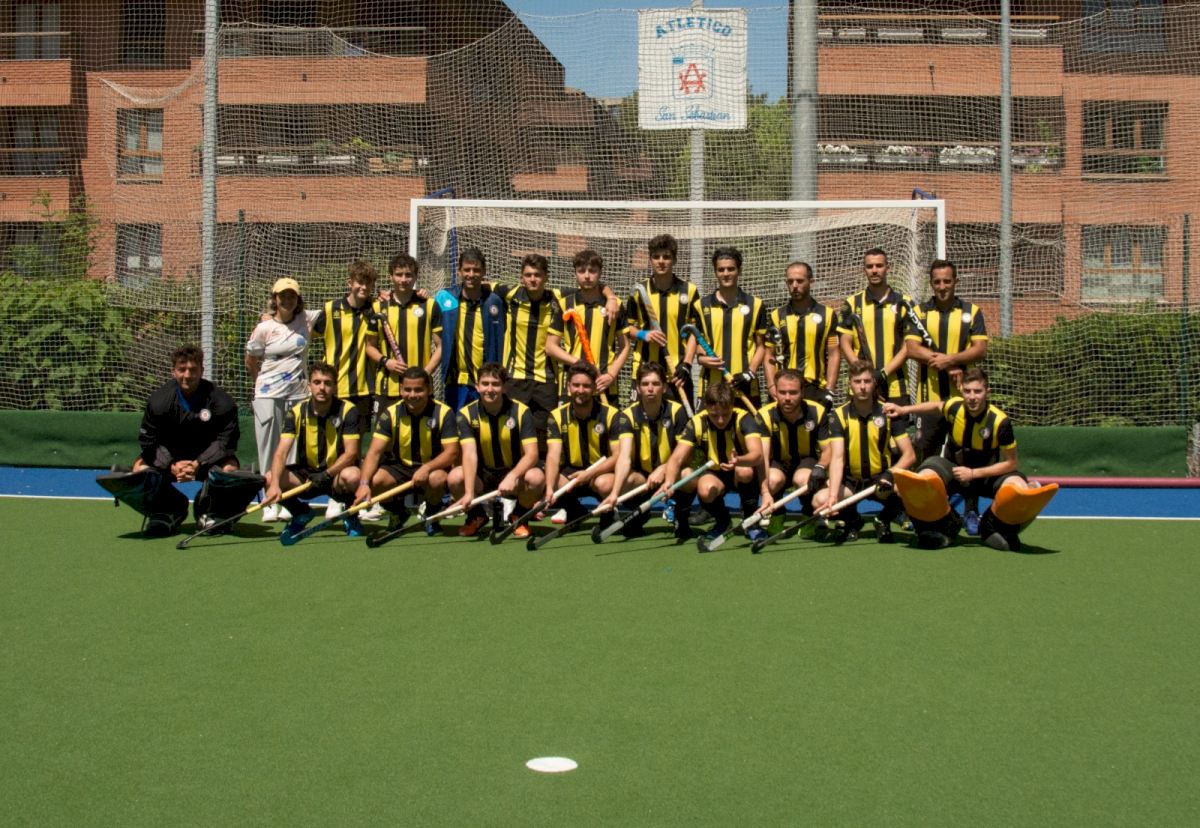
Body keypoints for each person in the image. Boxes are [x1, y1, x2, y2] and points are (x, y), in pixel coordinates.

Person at [884, 367, 1055, 551]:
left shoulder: (1000, 422)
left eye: (977, 391)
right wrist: (903, 409)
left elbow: (1011, 463)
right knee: (925, 474)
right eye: (967, 391)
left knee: (1018, 485)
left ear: (987, 392)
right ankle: (946, 522)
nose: (972, 397)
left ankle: (993, 526)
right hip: (955, 471)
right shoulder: (954, 407)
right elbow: (935, 406)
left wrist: (973, 473)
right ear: (961, 390)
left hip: (985, 476)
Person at [97, 344, 253, 537]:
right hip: (170, 460)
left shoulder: (222, 401)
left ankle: (209, 511)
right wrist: (171, 465)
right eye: (182, 369)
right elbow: (148, 442)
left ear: (202, 371)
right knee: (139, 468)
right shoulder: (158, 401)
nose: (187, 375)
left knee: (230, 468)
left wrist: (198, 463)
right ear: (173, 371)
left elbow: (226, 442)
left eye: (193, 370)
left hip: (206, 460)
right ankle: (169, 509)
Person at [814, 360, 916, 543]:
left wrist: (890, 474)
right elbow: (837, 458)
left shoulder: (888, 412)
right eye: (857, 381)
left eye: (867, 381)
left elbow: (909, 454)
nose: (862, 386)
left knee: (910, 493)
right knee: (819, 500)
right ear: (850, 384)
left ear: (874, 383)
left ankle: (883, 519)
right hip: (851, 481)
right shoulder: (838, 415)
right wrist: (832, 496)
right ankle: (853, 520)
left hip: (880, 478)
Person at [244, 276, 320, 522]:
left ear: (298, 299)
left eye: (292, 296)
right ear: (275, 298)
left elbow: (338, 309)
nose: (287, 300)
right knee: (268, 449)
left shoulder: (306, 319)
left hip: (298, 395)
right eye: (282, 296)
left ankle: (287, 499)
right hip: (268, 396)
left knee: (292, 451)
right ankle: (269, 501)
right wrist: (260, 384)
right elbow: (251, 359)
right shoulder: (264, 327)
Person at [263, 362, 364, 538]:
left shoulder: (348, 410)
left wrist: (326, 475)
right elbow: (281, 453)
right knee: (271, 478)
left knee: (353, 476)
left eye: (327, 383)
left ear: (335, 386)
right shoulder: (296, 412)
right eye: (317, 382)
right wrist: (274, 486)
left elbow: (351, 453)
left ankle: (351, 514)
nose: (322, 388)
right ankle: (301, 513)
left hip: (335, 476)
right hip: (307, 476)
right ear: (309, 385)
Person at [310, 260, 379, 520]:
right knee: (333, 445)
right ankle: (335, 497)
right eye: (359, 282)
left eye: (368, 283)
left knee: (356, 446)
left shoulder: (375, 309)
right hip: (333, 389)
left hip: (362, 388)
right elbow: (304, 329)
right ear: (350, 283)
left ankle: (358, 497)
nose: (363, 287)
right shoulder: (330, 309)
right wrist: (270, 317)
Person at [355, 368, 459, 536]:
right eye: (408, 390)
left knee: (437, 479)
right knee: (375, 481)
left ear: (429, 390)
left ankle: (431, 515)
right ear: (401, 389)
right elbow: (374, 452)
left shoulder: (444, 412)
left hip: (432, 468)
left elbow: (452, 452)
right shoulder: (390, 413)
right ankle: (398, 512)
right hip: (399, 468)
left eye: (418, 390)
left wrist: (427, 468)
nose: (412, 395)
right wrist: (364, 484)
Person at [661, 381, 766, 546]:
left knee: (744, 471)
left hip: (740, 469)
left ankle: (751, 522)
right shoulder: (697, 422)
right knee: (705, 490)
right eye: (715, 415)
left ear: (732, 405)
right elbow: (676, 458)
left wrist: (739, 460)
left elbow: (758, 455)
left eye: (725, 414)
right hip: (714, 472)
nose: (721, 420)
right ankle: (723, 521)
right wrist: (669, 482)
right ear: (706, 408)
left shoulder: (744, 418)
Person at [903, 259, 989, 458]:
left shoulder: (971, 312)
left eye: (947, 281)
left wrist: (949, 360)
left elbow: (980, 349)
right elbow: (912, 349)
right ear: (931, 283)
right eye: (937, 282)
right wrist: (944, 363)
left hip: (963, 398)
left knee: (964, 456)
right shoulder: (919, 312)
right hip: (928, 400)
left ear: (956, 281)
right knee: (925, 456)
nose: (942, 287)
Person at [449, 363, 546, 538]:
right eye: (485, 384)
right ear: (477, 386)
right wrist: (469, 492)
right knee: (455, 477)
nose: (490, 389)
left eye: (495, 384)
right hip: (483, 476)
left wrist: (512, 476)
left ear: (504, 387)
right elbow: (469, 454)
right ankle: (476, 516)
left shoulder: (521, 411)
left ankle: (519, 516)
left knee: (536, 478)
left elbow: (532, 454)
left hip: (513, 474)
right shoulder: (465, 414)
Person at [603, 362, 694, 538]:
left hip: (671, 473)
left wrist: (665, 468)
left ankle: (681, 517)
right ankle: (639, 514)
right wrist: (614, 494)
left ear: (664, 387)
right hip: (643, 479)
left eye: (655, 384)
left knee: (688, 475)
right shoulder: (627, 415)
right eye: (645, 384)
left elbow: (687, 455)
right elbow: (624, 458)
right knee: (616, 481)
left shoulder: (677, 411)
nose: (650, 389)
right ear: (638, 388)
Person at [542, 362, 629, 532]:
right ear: (568, 386)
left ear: (595, 388)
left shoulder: (611, 415)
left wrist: (589, 474)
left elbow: (617, 456)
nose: (580, 390)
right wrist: (550, 489)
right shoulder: (556, 416)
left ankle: (608, 515)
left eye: (586, 386)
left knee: (605, 483)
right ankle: (575, 512)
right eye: (576, 385)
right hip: (570, 475)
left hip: (600, 473)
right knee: (546, 477)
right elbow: (553, 456)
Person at [626, 233, 702, 409]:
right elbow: (626, 328)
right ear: (650, 260)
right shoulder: (639, 291)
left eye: (666, 257)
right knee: (640, 422)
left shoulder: (689, 291)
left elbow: (695, 332)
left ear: (674, 260)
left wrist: (687, 364)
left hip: (677, 372)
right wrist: (643, 334)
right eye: (656, 257)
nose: (661, 261)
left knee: (682, 422)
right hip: (644, 372)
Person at [756, 368, 834, 524]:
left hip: (806, 461)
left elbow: (828, 450)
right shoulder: (764, 415)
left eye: (793, 393)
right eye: (782, 392)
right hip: (778, 462)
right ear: (775, 392)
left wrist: (820, 467)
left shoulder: (817, 411)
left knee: (803, 479)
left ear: (802, 392)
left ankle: (809, 515)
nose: (787, 398)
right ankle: (777, 514)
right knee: (771, 481)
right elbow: (763, 457)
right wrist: (764, 492)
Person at [368, 252, 443, 413]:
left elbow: (441, 346)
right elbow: (369, 346)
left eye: (408, 275)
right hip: (388, 388)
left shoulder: (430, 305)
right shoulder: (377, 307)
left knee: (423, 429)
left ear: (416, 277)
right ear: (390, 276)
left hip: (421, 389)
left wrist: (425, 373)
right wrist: (386, 362)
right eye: (399, 274)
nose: (403, 279)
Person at [836, 248, 913, 404]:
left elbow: (909, 346)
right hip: (861, 386)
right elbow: (845, 344)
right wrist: (866, 375)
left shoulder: (905, 303)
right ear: (864, 270)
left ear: (888, 268)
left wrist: (882, 374)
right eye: (870, 266)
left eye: (879, 265)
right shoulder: (851, 303)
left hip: (896, 387)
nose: (874, 270)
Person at [559, 249, 631, 406]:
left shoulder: (615, 306)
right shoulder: (564, 303)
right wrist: (581, 364)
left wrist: (611, 374)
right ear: (575, 273)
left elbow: (625, 346)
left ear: (600, 273)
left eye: (592, 271)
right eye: (581, 271)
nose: (587, 276)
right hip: (572, 384)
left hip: (604, 384)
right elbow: (551, 347)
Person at [696, 246, 768, 403]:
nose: (726, 274)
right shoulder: (701, 305)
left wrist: (750, 373)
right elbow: (698, 341)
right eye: (721, 270)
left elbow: (761, 346)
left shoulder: (756, 305)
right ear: (715, 272)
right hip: (712, 385)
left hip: (745, 385)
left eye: (731, 269)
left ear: (739, 271)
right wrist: (701, 359)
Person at [439, 247, 506, 413]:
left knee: (485, 425)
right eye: (467, 269)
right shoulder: (446, 298)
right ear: (459, 271)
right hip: (456, 381)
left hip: (486, 382)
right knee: (456, 425)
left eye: (476, 270)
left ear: (483, 272)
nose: (471, 274)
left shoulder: (494, 301)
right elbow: (424, 308)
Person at [764, 261, 840, 406]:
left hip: (814, 388)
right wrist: (771, 386)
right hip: (784, 388)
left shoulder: (828, 315)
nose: (794, 285)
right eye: (790, 281)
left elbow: (834, 354)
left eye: (799, 281)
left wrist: (830, 389)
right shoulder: (776, 316)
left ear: (811, 282)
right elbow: (769, 354)